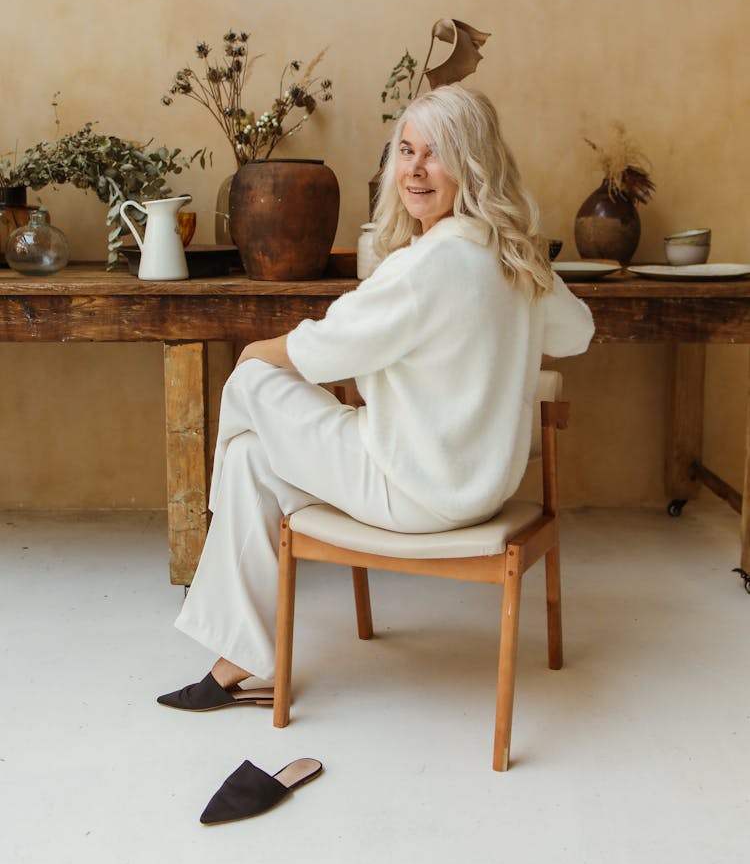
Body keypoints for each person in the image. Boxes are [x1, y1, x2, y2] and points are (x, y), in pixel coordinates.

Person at [157, 84, 594, 711]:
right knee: (253, 460)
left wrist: (258, 351)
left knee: (250, 382)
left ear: (471, 164)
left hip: (409, 487)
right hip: (480, 489)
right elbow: (577, 334)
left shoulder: (426, 267)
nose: (413, 170)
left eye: (434, 154)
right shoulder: (514, 259)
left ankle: (214, 541)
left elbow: (327, 348)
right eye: (405, 151)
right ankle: (239, 662)